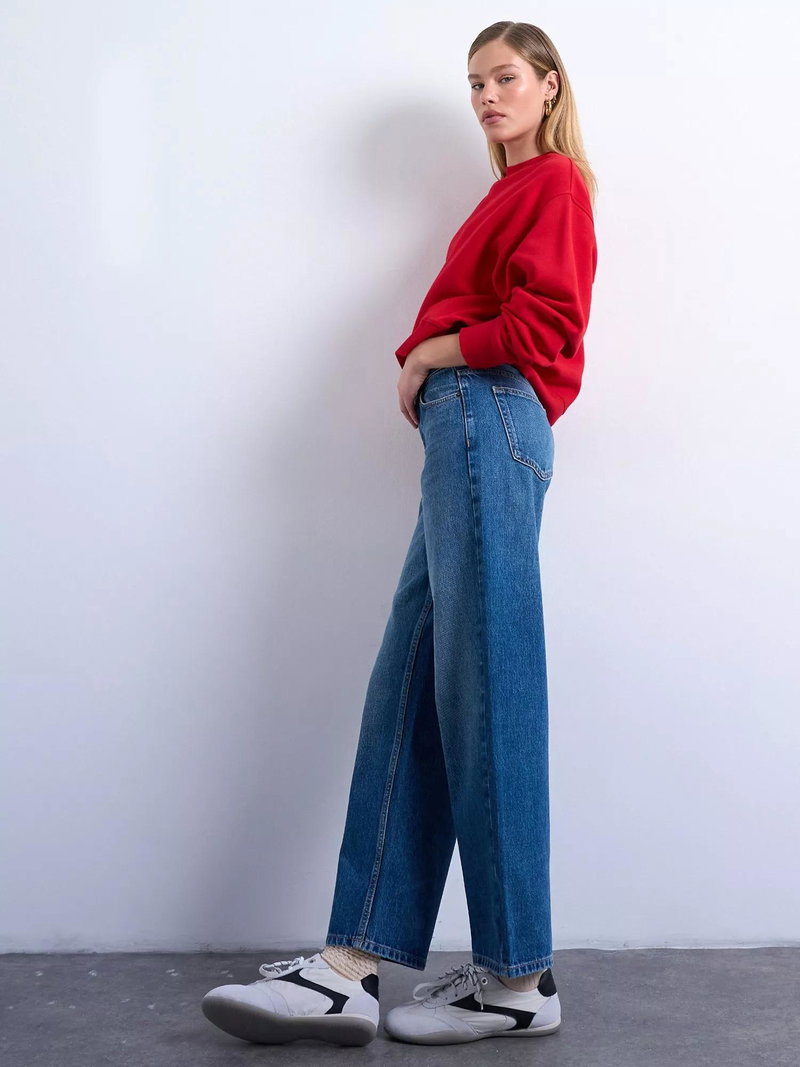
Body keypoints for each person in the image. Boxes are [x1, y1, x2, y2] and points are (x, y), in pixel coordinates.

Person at [201, 20, 598, 1048]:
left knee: (487, 682)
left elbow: (548, 327)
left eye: (505, 78)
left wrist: (431, 351)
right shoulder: (508, 193)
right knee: (415, 688)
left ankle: (517, 973)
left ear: (549, 87)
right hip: (468, 433)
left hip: (486, 415)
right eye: (474, 83)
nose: (486, 97)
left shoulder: (552, 183)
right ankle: (350, 966)